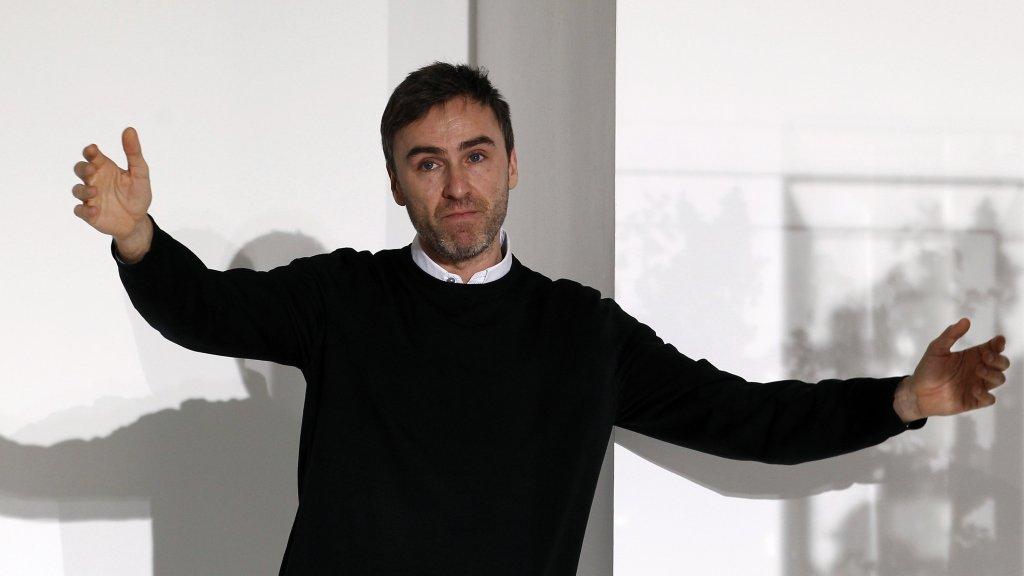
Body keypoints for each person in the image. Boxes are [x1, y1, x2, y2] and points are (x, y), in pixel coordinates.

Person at [70, 62, 1011, 575]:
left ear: (512, 166)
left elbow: (747, 419)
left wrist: (901, 399)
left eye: (476, 155)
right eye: (428, 162)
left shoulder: (581, 332)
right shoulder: (343, 298)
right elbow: (203, 309)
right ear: (396, 183)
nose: (457, 184)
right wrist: (139, 235)